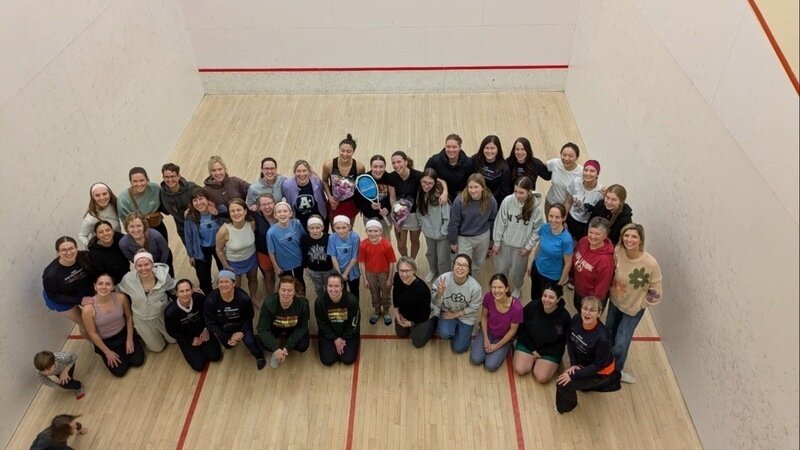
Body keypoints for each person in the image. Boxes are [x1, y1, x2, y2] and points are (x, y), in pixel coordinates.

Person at [606, 223, 663, 384]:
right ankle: (604, 364)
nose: (629, 239)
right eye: (626, 235)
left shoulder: (650, 263)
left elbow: (656, 292)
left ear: (641, 240)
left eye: (634, 236)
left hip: (633, 310)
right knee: (608, 334)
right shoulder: (618, 251)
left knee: (621, 342)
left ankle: (616, 372)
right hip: (615, 302)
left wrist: (640, 305)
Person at [555, 296, 620, 414]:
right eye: (585, 308)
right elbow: (570, 341)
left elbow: (598, 366)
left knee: (562, 383)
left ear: (599, 314)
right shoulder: (576, 319)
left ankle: (567, 406)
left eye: (592, 310)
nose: (587, 313)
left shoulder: (603, 338)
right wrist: (574, 364)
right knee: (576, 384)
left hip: (600, 372)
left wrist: (574, 375)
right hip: (583, 364)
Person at [82, 274, 145, 377]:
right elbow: (92, 333)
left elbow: (129, 317)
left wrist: (129, 339)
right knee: (120, 371)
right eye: (100, 284)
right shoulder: (88, 309)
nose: (104, 287)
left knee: (138, 361)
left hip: (124, 333)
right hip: (107, 341)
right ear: (95, 286)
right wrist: (107, 352)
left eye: (108, 284)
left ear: (113, 287)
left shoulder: (121, 297)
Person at [492, 176, 545, 299]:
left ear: (529, 192)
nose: (517, 195)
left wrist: (529, 246)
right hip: (505, 243)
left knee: (518, 272)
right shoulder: (508, 201)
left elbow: (537, 229)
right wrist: (497, 242)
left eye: (521, 193)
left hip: (521, 248)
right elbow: (500, 222)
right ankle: (502, 286)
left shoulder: (535, 208)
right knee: (501, 269)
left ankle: (517, 287)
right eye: (515, 191)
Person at [204, 270, 266, 370]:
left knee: (250, 342)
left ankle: (259, 356)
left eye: (226, 282)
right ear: (217, 284)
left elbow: (249, 317)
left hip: (241, 325)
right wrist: (228, 336)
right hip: (223, 327)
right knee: (228, 346)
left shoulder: (243, 298)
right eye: (221, 282)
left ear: (234, 283)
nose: (223, 285)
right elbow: (210, 323)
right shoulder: (210, 300)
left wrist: (241, 332)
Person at [117, 251, 176, 352]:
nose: (143, 268)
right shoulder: (128, 279)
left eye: (146, 264)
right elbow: (118, 290)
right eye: (139, 266)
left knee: (174, 340)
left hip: (162, 315)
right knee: (157, 348)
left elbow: (174, 286)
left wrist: (191, 288)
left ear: (152, 264)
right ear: (135, 267)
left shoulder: (164, 276)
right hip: (142, 319)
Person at [513, 283, 571, 383]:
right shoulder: (532, 306)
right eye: (545, 296)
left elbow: (563, 341)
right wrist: (532, 349)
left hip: (550, 351)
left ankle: (543, 363)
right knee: (520, 369)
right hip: (528, 344)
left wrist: (542, 353)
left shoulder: (564, 317)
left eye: (551, 297)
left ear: (558, 299)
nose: (547, 300)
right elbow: (521, 327)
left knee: (541, 377)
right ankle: (530, 358)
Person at [165, 279, 223, 372]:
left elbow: (209, 315)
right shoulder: (170, 312)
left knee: (215, 356)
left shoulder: (200, 298)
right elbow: (171, 331)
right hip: (187, 337)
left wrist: (206, 329)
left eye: (187, 290)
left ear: (192, 290)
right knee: (199, 366)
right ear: (176, 293)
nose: (185, 294)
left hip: (203, 331)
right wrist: (190, 340)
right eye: (181, 291)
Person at [469, 274, 522, 372]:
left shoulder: (517, 308)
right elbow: (484, 316)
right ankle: (481, 342)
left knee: (490, 366)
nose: (497, 291)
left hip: (504, 337)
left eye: (500, 287)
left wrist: (497, 346)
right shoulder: (488, 297)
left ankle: (506, 346)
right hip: (488, 331)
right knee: (476, 359)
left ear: (507, 288)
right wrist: (485, 338)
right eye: (494, 287)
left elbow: (512, 331)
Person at [448, 173, 498, 278]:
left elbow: (492, 220)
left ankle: (472, 280)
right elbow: (454, 222)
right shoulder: (459, 200)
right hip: (464, 237)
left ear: (483, 188)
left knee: (478, 263)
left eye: (476, 187)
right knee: (463, 263)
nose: (473, 190)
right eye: (470, 187)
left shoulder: (490, 200)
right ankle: (461, 281)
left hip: (483, 236)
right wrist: (453, 241)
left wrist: (491, 240)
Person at [431, 254, 482, 353]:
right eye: (458, 264)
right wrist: (439, 294)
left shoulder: (475, 287)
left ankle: (463, 333)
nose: (460, 267)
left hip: (466, 316)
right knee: (444, 334)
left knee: (459, 348)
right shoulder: (443, 279)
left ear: (469, 269)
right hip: (447, 311)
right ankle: (454, 329)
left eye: (464, 265)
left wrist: (455, 314)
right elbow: (434, 302)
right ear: (453, 266)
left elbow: (474, 307)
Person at [42, 237, 93, 337]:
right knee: (85, 324)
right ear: (58, 253)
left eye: (71, 248)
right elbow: (54, 296)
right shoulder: (50, 274)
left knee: (92, 318)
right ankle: (93, 343)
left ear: (76, 248)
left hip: (77, 288)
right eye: (64, 250)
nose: (69, 253)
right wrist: (79, 300)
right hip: (60, 298)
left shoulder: (84, 256)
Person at [257, 276, 311, 369]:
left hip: (293, 327)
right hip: (275, 327)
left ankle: (284, 349)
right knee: (260, 342)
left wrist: (287, 347)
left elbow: (303, 327)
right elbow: (262, 328)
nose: (286, 293)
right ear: (278, 290)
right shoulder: (269, 303)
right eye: (283, 290)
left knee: (303, 345)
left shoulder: (303, 304)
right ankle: (276, 353)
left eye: (290, 290)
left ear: (294, 292)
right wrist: (275, 348)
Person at [215, 198, 259, 307]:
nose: (236, 213)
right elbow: (219, 250)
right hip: (233, 262)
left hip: (251, 258)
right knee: (236, 285)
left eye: (239, 210)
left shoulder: (252, 224)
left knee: (253, 279)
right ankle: (239, 303)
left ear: (245, 211)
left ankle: (253, 297)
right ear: (229, 214)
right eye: (232, 211)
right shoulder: (224, 230)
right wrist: (226, 266)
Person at [529, 204, 574, 303]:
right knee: (535, 298)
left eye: (557, 217)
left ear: (564, 218)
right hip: (537, 270)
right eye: (551, 216)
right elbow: (539, 246)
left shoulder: (566, 240)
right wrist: (531, 263)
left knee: (546, 302)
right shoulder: (544, 228)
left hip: (551, 277)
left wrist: (561, 282)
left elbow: (568, 264)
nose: (553, 220)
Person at [183, 188, 224, 295]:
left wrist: (218, 214)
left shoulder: (219, 209)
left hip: (219, 248)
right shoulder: (190, 217)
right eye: (195, 200)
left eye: (201, 199)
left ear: (207, 199)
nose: (198, 203)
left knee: (224, 273)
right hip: (201, 249)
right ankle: (209, 299)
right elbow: (188, 237)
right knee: (204, 279)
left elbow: (227, 222)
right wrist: (191, 255)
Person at [315, 273, 360, 366]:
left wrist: (343, 338)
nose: (333, 289)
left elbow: (354, 323)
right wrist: (335, 338)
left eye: (336, 286)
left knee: (348, 359)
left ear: (342, 286)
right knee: (328, 361)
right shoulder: (319, 302)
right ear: (326, 286)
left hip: (348, 333)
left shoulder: (352, 301)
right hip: (329, 334)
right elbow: (321, 323)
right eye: (330, 286)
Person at [392, 257, 437, 348]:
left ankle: (434, 321)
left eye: (407, 271)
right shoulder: (397, 277)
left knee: (418, 343)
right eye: (401, 271)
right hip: (404, 314)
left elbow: (424, 314)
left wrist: (412, 323)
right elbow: (395, 294)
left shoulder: (423, 290)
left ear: (414, 270)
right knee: (401, 333)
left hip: (419, 318)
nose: (404, 274)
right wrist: (396, 313)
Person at [572, 217, 615, 311]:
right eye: (590, 232)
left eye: (597, 234)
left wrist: (591, 306)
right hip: (578, 290)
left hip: (591, 299)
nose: (593, 236)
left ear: (605, 236)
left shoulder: (606, 261)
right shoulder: (583, 241)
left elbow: (601, 288)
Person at [358, 220, 396, 325]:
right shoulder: (363, 245)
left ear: (381, 231)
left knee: (386, 293)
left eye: (376, 231)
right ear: (366, 231)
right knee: (374, 293)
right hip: (370, 274)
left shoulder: (387, 245)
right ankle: (377, 311)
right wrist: (365, 279)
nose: (373, 233)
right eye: (370, 231)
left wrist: (390, 278)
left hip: (384, 273)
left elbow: (392, 262)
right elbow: (362, 263)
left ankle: (386, 311)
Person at [117, 167, 168, 244]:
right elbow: (126, 223)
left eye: (142, 180)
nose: (139, 184)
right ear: (131, 182)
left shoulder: (155, 188)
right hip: (139, 232)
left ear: (147, 179)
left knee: (165, 248)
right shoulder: (123, 200)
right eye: (135, 181)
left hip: (158, 226)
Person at [322, 133, 365, 224]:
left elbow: (360, 187)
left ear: (353, 152)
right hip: (333, 203)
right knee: (335, 228)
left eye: (348, 151)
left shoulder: (359, 167)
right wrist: (329, 197)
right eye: (342, 150)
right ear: (339, 150)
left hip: (351, 203)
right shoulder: (328, 165)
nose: (345, 154)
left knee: (349, 228)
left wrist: (361, 205)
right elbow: (324, 181)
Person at [417, 168, 451, 283]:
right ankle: (433, 270)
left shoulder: (441, 196)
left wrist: (443, 232)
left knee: (443, 257)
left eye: (430, 183)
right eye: (424, 182)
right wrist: (422, 225)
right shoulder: (420, 193)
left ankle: (444, 276)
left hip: (442, 235)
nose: (426, 186)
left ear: (435, 182)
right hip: (428, 232)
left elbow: (447, 218)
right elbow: (419, 211)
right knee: (430, 253)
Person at [387, 151, 422, 258]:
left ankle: (412, 262)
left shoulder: (418, 176)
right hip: (399, 215)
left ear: (406, 162)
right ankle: (405, 262)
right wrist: (396, 218)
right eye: (393, 163)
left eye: (399, 162)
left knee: (414, 240)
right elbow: (392, 197)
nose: (396, 165)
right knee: (401, 244)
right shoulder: (391, 177)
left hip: (414, 215)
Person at [119, 212, 173, 276]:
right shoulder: (123, 243)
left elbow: (165, 250)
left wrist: (160, 268)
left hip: (162, 260)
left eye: (139, 226)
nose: (136, 230)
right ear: (127, 228)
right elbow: (133, 259)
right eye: (132, 227)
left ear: (144, 226)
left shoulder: (155, 235)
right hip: (144, 266)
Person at [267, 201, 307, 287]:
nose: (282, 214)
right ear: (275, 215)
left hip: (298, 260)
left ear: (290, 213)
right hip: (283, 264)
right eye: (279, 212)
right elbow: (271, 251)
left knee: (299, 281)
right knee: (287, 284)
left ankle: (302, 295)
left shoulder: (297, 224)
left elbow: (304, 241)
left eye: (285, 211)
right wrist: (276, 267)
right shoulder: (271, 232)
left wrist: (306, 260)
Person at [354, 154, 394, 239]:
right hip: (369, 216)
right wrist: (370, 206)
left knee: (385, 240)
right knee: (373, 239)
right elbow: (358, 201)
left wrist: (388, 209)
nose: (378, 170)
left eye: (381, 167)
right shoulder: (363, 180)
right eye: (375, 166)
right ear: (371, 167)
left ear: (385, 167)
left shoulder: (390, 178)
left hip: (386, 216)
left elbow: (394, 198)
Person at [425, 133, 475, 201]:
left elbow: (473, 180)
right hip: (440, 194)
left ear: (460, 147)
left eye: (454, 147)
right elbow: (426, 176)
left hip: (462, 196)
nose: (451, 150)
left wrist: (464, 194)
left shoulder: (469, 163)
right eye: (448, 147)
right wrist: (444, 187)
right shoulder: (434, 161)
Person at [281, 159, 328, 229]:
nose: (302, 174)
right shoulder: (286, 185)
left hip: (318, 221)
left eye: (304, 171)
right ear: (294, 172)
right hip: (299, 224)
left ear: (309, 172)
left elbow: (323, 198)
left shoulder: (317, 181)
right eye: (298, 171)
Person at [159, 163, 198, 244]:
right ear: (163, 178)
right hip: (183, 231)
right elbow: (165, 211)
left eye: (172, 176)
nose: (170, 180)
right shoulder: (162, 194)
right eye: (166, 177)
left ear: (178, 176)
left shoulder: (191, 188)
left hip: (199, 226)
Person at [565, 159, 604, 241]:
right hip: (571, 218)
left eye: (592, 171)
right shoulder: (576, 182)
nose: (588, 173)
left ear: (597, 174)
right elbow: (568, 201)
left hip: (585, 224)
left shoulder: (600, 192)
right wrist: (563, 219)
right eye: (586, 170)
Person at [301, 215, 334, 301]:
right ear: (308, 228)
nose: (315, 230)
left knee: (329, 286)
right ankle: (321, 301)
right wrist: (305, 266)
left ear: (322, 227)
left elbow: (333, 254)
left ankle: (329, 300)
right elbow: (304, 253)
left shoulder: (329, 238)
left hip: (328, 269)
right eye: (312, 228)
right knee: (318, 287)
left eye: (317, 228)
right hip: (313, 270)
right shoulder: (304, 239)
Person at [472, 135, 511, 208]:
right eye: (487, 148)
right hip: (474, 199)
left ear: (498, 149)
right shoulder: (475, 160)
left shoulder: (504, 168)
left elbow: (504, 193)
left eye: (492, 148)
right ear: (482, 149)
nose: (489, 151)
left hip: (492, 203)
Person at [327, 215, 360, 300]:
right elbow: (333, 256)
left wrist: (345, 273)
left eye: (344, 227)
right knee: (341, 293)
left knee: (354, 293)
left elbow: (355, 257)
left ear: (349, 227)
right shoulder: (332, 238)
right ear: (333, 227)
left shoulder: (355, 237)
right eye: (338, 228)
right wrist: (339, 273)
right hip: (339, 271)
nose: (341, 231)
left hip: (352, 271)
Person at [78, 182, 120, 247]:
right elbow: (82, 235)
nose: (102, 197)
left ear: (109, 194)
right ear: (93, 198)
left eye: (104, 194)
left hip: (119, 245)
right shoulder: (90, 218)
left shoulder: (117, 207)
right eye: (97, 195)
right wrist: (92, 247)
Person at [544, 143, 583, 214]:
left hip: (568, 208)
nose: (566, 158)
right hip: (550, 203)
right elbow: (541, 166)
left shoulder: (581, 172)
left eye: (570, 156)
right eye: (564, 155)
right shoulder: (555, 163)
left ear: (577, 157)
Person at [86, 220, 129, 284]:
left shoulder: (121, 239)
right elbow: (100, 276)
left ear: (113, 231)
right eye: (101, 232)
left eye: (108, 230)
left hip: (128, 277)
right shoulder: (94, 254)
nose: (105, 233)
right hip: (112, 284)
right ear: (97, 235)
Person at [253, 193, 277, 296]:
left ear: (274, 203)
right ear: (258, 207)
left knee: (284, 275)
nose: (267, 207)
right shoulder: (254, 216)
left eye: (269, 203)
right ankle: (271, 297)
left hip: (281, 252)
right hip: (263, 252)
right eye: (263, 204)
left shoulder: (280, 213)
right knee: (268, 275)